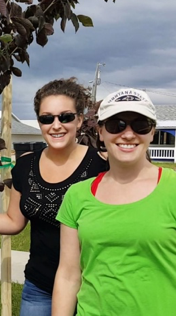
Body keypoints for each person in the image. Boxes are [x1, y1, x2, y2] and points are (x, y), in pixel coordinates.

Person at [0, 78, 108, 316]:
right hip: (39, 287)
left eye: (65, 117)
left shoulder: (101, 166)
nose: (56, 125)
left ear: (79, 120)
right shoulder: (26, 166)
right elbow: (13, 221)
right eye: (46, 118)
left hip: (91, 287)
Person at [53, 89, 176, 315]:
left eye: (140, 125)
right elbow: (68, 275)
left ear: (152, 132)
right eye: (116, 125)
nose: (128, 134)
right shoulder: (77, 195)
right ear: (100, 132)